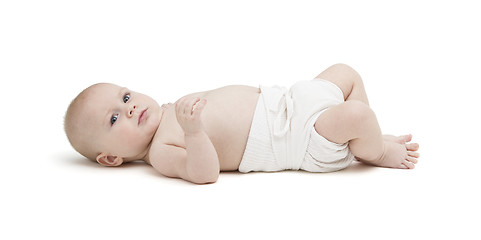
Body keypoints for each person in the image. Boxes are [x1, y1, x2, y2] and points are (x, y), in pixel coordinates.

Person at [64, 64, 419, 184]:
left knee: (346, 73)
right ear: (111, 157)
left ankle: (362, 138)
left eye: (125, 98)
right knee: (357, 116)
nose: (128, 109)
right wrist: (194, 132)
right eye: (114, 119)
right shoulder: (160, 151)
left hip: (289, 101)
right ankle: (376, 150)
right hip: (296, 139)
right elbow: (203, 174)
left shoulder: (172, 108)